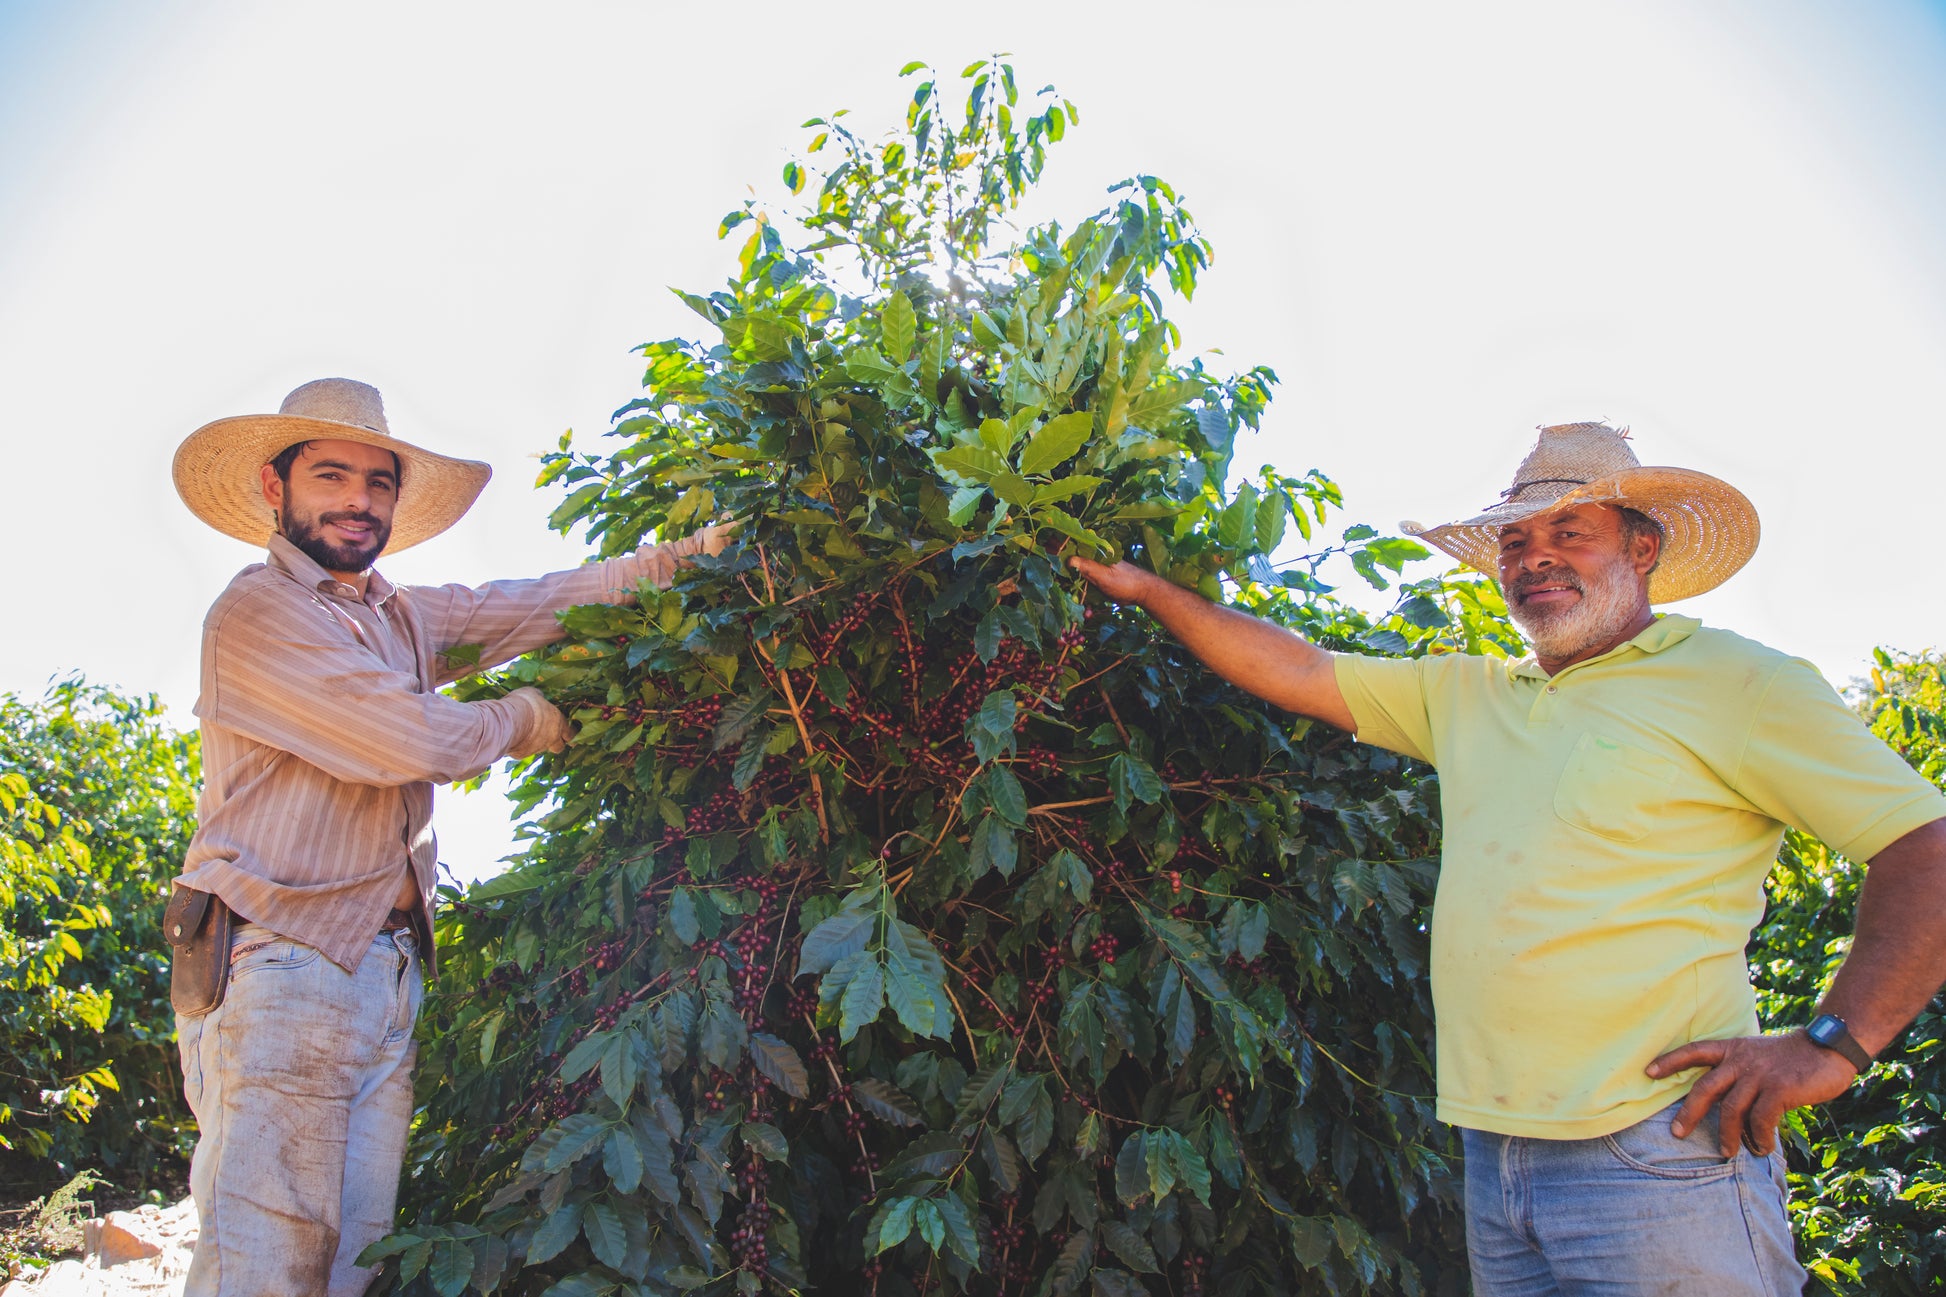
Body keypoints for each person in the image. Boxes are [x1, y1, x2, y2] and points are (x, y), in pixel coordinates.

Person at [1070, 422, 1946, 1295]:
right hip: (1497, 1157)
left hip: (1660, 1150)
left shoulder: (1740, 683)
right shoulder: (1470, 693)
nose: (1536, 558)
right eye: (1517, 540)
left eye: (1570, 532)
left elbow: (1926, 846)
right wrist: (1151, 591)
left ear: (1644, 547)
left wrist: (1835, 1043)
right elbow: (1299, 668)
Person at [167, 378, 728, 1297]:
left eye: (377, 482)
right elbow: (407, 739)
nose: (358, 500)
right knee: (266, 1264)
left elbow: (540, 601)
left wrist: (699, 555)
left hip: (383, 969)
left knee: (352, 1262)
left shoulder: (403, 618)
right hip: (280, 963)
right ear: (276, 488)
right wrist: (525, 717)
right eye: (332, 475)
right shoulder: (259, 612)